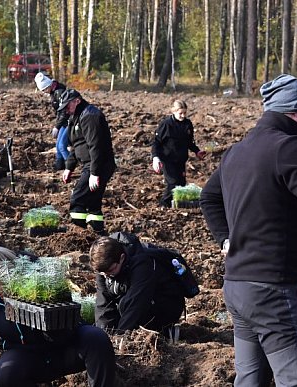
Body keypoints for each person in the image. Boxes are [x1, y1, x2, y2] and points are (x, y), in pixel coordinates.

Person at [200, 74, 297, 387]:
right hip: (273, 289)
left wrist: (225, 238)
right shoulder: (289, 148)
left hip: (237, 286)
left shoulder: (237, 151)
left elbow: (208, 197)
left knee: (250, 379)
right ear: (293, 112)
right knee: (295, 379)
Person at [0, 246, 116, 387]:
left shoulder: (41, 284)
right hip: (28, 357)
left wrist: (51, 326)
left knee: (96, 338)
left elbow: (70, 319)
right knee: (6, 371)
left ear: (11, 277)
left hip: (64, 347)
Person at [90, 232, 186, 333]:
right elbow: (103, 304)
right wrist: (104, 335)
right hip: (139, 300)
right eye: (103, 273)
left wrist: (120, 335)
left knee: (124, 305)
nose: (106, 275)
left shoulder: (142, 264)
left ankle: (165, 331)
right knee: (117, 309)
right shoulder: (104, 268)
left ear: (122, 258)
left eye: (111, 270)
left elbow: (136, 305)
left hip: (166, 304)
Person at [59, 89, 116, 234]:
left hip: (98, 164)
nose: (66, 110)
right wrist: (69, 167)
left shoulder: (90, 116)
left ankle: (79, 233)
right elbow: (77, 144)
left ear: (77, 101)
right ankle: (99, 234)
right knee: (93, 203)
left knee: (78, 198)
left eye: (67, 106)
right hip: (90, 164)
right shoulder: (76, 116)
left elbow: (96, 146)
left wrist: (94, 173)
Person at [151, 99, 206, 207]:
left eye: (185, 113)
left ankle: (177, 204)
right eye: (180, 113)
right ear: (174, 111)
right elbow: (156, 142)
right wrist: (155, 158)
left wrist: (197, 151)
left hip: (181, 159)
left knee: (181, 184)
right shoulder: (166, 124)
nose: (183, 115)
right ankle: (163, 205)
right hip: (167, 159)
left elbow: (189, 142)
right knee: (173, 183)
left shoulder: (187, 124)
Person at [35, 72, 70, 170]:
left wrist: (57, 127)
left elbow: (64, 112)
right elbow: (59, 112)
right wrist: (58, 125)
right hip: (63, 122)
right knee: (58, 146)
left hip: (70, 121)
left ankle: (70, 166)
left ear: (48, 86)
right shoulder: (53, 92)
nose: (44, 92)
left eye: (44, 90)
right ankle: (59, 165)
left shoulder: (60, 92)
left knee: (62, 146)